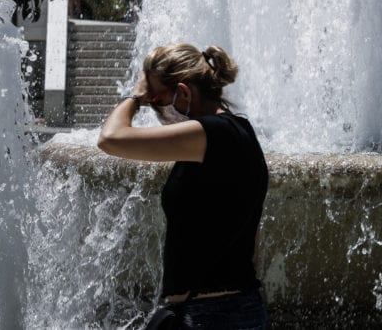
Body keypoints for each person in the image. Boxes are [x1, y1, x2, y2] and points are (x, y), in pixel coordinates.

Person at [97, 43, 269, 330]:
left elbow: (110, 138)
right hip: (227, 309)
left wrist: (135, 98)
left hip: (211, 316)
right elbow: (253, 242)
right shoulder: (237, 134)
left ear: (185, 92)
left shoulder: (210, 133)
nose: (155, 109)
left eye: (157, 100)